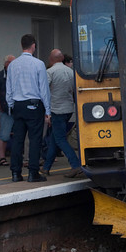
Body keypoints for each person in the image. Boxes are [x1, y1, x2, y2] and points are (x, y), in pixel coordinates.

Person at [6, 34, 50, 183]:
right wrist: (48, 111)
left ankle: (15, 173)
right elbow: (44, 89)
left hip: (17, 106)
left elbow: (9, 89)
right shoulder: (39, 64)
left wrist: (11, 106)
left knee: (18, 140)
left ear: (21, 46)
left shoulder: (13, 65)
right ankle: (33, 173)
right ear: (34, 46)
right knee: (35, 139)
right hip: (34, 105)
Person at [41, 49, 84, 178]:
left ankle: (75, 165)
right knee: (55, 138)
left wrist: (46, 112)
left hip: (56, 110)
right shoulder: (71, 72)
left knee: (60, 139)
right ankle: (46, 167)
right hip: (68, 109)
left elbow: (45, 92)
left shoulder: (50, 72)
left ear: (51, 59)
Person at [0, 55, 16, 166]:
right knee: (4, 135)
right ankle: (2, 157)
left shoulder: (18, 75)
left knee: (19, 134)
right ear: (6, 63)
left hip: (18, 109)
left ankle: (18, 156)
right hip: (6, 110)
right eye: (11, 62)